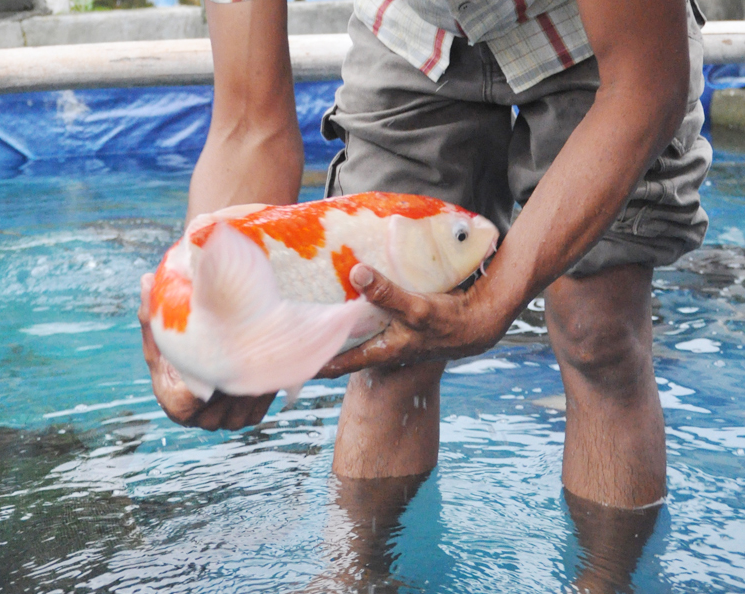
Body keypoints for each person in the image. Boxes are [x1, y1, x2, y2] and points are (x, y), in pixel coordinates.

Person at [137, 0, 711, 513]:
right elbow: (247, 125)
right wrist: (206, 318)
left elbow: (644, 86)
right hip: (415, 25)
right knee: (385, 345)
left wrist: (493, 303)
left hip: (594, 28)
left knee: (598, 331)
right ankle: (360, 579)